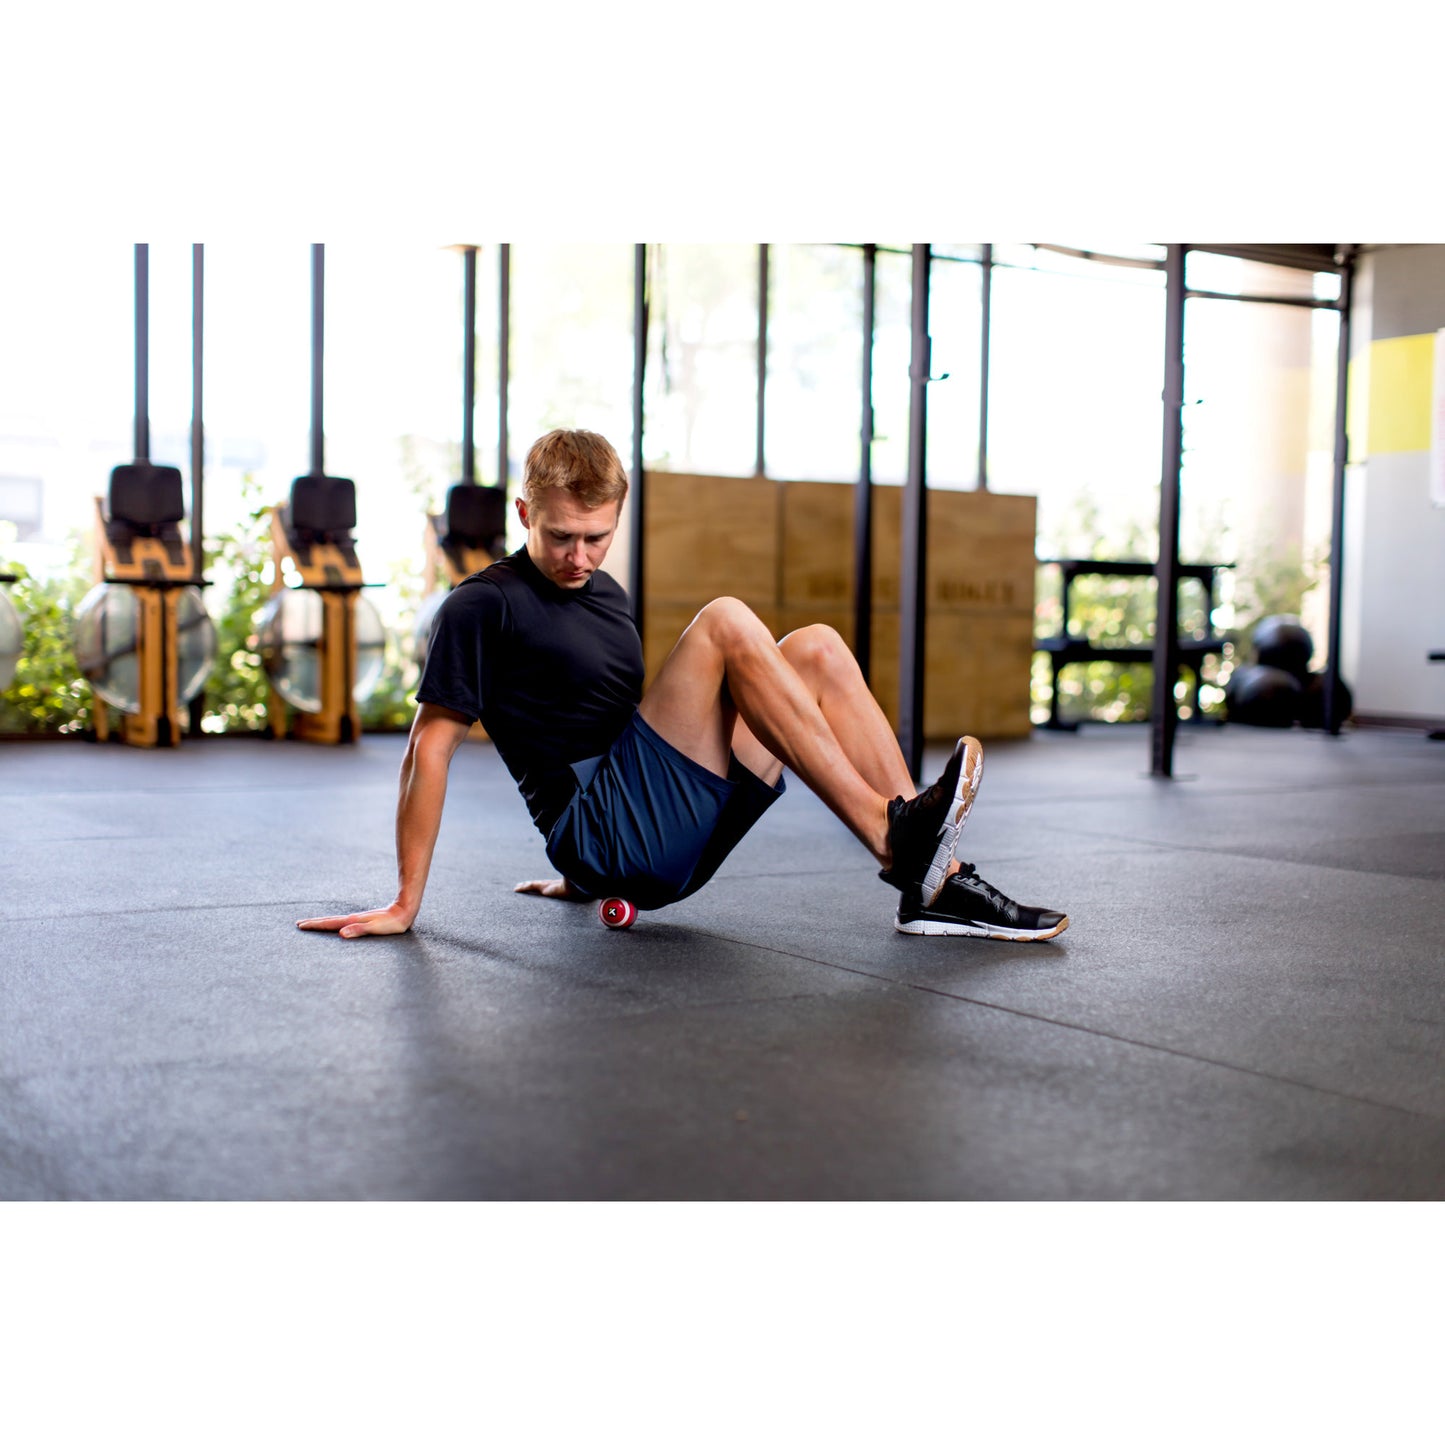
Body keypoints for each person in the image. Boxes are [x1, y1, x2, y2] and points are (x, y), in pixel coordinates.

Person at [298, 429, 1067, 943]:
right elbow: (425, 751)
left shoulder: (608, 596)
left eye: (596, 536)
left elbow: (603, 727)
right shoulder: (481, 605)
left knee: (819, 649)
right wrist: (406, 902)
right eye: (558, 534)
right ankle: (895, 835)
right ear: (524, 512)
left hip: (661, 838)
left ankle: (932, 877)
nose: (577, 555)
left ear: (617, 520)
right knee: (728, 619)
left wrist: (571, 880)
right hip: (608, 840)